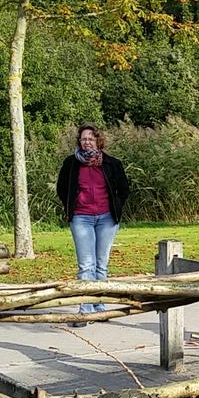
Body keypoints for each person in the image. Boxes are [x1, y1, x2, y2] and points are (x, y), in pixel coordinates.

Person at [56, 125, 129, 326]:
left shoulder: (111, 163)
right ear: (79, 141)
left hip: (106, 218)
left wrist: (116, 208)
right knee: (86, 264)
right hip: (81, 217)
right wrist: (71, 206)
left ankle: (99, 306)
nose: (86, 142)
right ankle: (85, 310)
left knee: (101, 264)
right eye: (83, 139)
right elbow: (61, 188)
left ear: (98, 141)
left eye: (90, 139)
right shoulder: (71, 164)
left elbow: (124, 190)